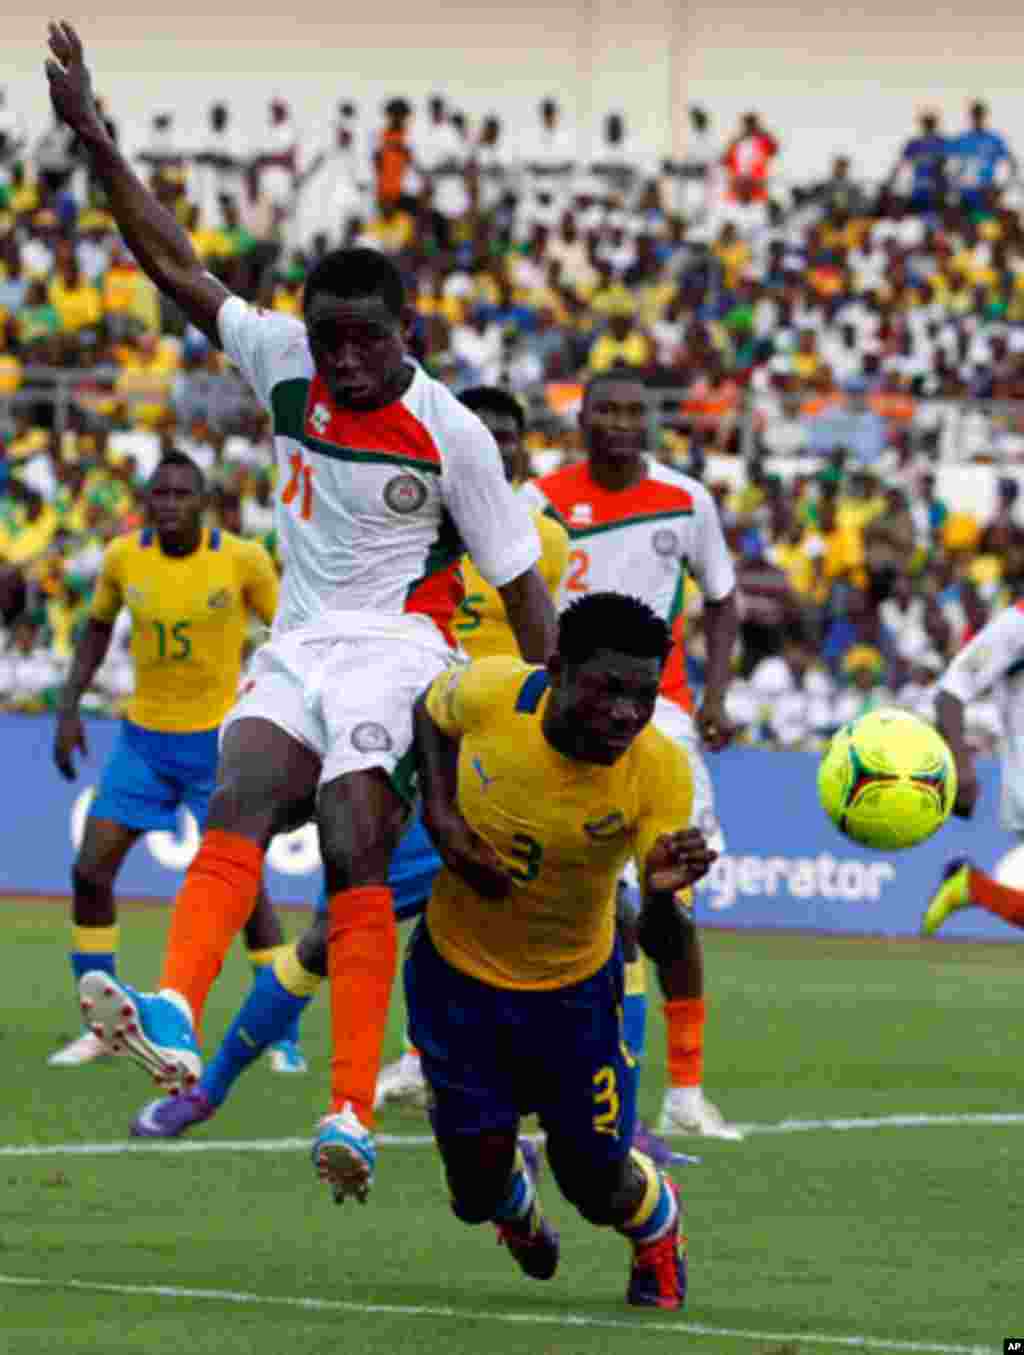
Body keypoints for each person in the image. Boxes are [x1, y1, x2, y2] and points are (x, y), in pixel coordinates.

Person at [45, 21, 555, 1208]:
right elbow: (175, 262)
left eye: (365, 342)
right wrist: (98, 141)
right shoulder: (284, 362)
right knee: (241, 789)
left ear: (407, 335)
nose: (343, 364)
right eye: (328, 343)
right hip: (300, 645)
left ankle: (349, 1104)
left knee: (349, 847)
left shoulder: (454, 435)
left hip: (399, 652)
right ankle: (171, 1003)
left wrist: (550, 730)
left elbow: (526, 594)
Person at [129, 385, 569, 1139]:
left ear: (522, 454)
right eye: (481, 434)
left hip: (500, 766)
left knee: (583, 926)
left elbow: (551, 648)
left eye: (508, 440)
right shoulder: (393, 512)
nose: (492, 449)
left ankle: (590, 1122)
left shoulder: (541, 542)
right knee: (324, 937)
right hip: (419, 744)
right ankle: (210, 1088)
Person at [407, 592, 714, 1309]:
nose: (625, 713)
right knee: (472, 1192)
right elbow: (429, 709)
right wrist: (443, 817)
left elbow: (668, 946)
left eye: (642, 696)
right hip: (455, 978)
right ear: (558, 669)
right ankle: (512, 1205)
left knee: (593, 1179)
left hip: (574, 997)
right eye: (608, 688)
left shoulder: (658, 770)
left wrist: (664, 897)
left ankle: (657, 1224)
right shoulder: (490, 689)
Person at [520, 374, 742, 1141]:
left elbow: (722, 595)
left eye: (633, 412)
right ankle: (588, 1089)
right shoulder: (537, 501)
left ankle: (684, 1090)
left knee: (669, 907)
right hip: (569, 722)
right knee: (595, 909)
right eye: (606, 411)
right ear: (580, 419)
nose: (620, 424)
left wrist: (715, 695)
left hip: (665, 721)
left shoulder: (686, 500)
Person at [48, 451, 307, 1070]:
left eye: (180, 494)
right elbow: (96, 632)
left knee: (244, 896)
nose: (167, 504)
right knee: (90, 872)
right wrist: (68, 709)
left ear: (204, 501)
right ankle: (102, 1025)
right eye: (158, 494)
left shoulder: (242, 559)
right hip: (142, 742)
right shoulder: (122, 557)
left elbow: (293, 637)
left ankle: (281, 1035)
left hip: (217, 745)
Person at [921, 600, 1024, 938]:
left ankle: (971, 888)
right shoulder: (1019, 621)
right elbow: (952, 688)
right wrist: (960, 766)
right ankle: (972, 888)